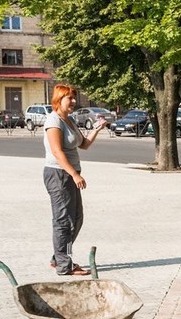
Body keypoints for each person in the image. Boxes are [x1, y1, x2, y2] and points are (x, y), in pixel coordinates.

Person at [43, 84, 107, 275]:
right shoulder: (54, 121)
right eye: (69, 98)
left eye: (73, 98)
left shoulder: (69, 120)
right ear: (59, 98)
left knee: (77, 219)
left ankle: (59, 256)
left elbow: (84, 144)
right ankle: (64, 265)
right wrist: (74, 174)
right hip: (58, 175)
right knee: (63, 220)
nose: (73, 101)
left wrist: (97, 128)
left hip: (69, 174)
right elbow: (57, 151)